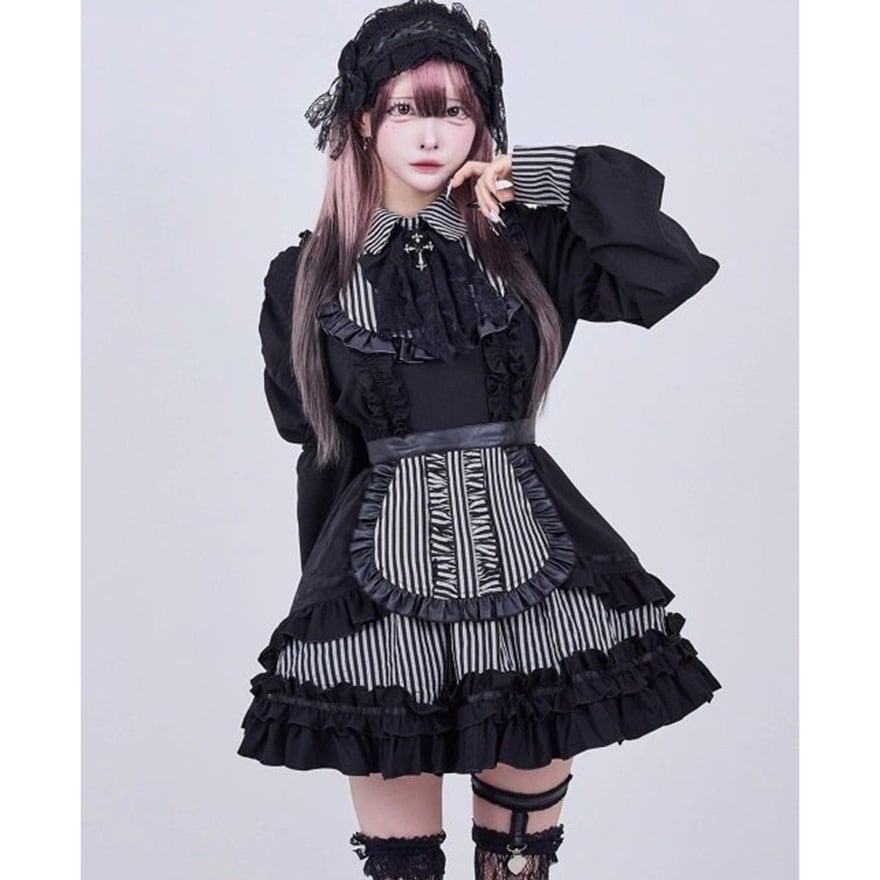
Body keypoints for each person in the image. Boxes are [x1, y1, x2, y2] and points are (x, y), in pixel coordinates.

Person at [237, 2, 723, 877]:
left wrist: (537, 174)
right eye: (405, 109)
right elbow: (318, 451)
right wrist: (318, 604)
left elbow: (667, 271)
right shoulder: (303, 279)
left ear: (481, 123)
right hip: (380, 605)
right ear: (363, 121)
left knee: (519, 866)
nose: (430, 134)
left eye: (454, 110)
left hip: (538, 594)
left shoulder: (531, 247)